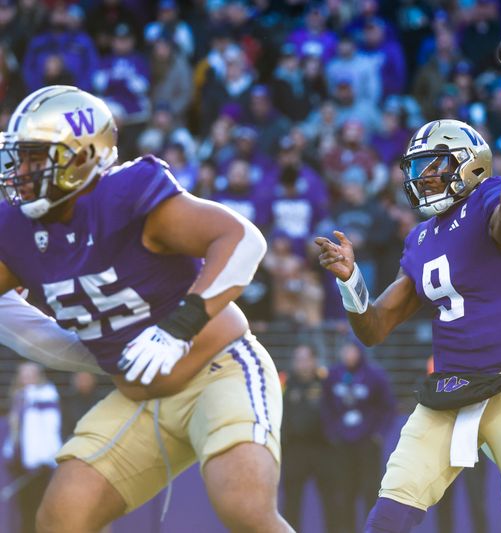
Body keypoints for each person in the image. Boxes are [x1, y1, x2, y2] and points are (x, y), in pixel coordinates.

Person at [0, 86, 291, 532]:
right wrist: (79, 351)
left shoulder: (125, 195)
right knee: (61, 517)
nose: (21, 171)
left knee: (244, 507)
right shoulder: (16, 230)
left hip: (219, 369)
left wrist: (180, 326)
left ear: (82, 156)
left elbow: (242, 239)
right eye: (18, 157)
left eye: (36, 157)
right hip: (137, 397)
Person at [316, 77, 501, 533]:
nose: (422, 177)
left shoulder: (491, 197)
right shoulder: (419, 238)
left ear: (469, 167)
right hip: (450, 391)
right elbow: (374, 328)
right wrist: (350, 280)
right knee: (389, 515)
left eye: (433, 166)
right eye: (418, 168)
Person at [321, 340, 396, 533]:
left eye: (352, 350)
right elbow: (325, 406)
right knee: (344, 493)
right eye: (345, 350)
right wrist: (332, 432)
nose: (348, 354)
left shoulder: (375, 375)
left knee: (370, 492)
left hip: (367, 444)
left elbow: (388, 408)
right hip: (342, 445)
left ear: (360, 352)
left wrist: (379, 434)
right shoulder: (333, 375)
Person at [280, 344, 337, 532]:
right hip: (295, 450)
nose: (302, 364)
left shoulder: (326, 382)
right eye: (298, 359)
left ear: (314, 361)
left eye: (306, 359)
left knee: (332, 501)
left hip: (323, 449)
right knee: (292, 503)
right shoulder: (284, 383)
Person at [2, 362, 62, 533]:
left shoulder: (46, 395)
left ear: (38, 375)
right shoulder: (19, 396)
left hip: (38, 465)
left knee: (36, 507)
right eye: (23, 374)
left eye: (30, 374)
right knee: (23, 508)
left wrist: (46, 458)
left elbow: (51, 428)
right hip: (19, 461)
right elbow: (16, 429)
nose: (26, 377)